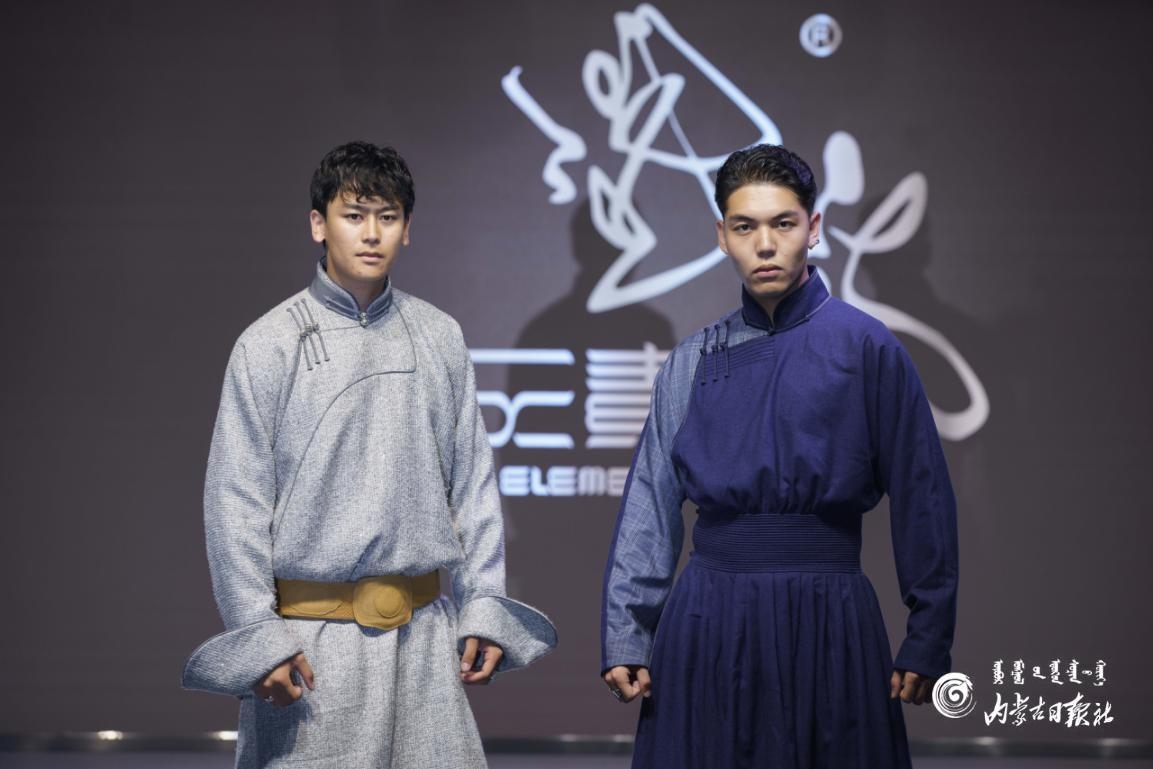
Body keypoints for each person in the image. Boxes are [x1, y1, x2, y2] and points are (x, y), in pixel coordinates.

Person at [182, 141, 556, 768]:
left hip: (425, 641)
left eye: (388, 216)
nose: (372, 233)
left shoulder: (439, 335)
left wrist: (483, 605)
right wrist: (259, 637)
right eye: (353, 215)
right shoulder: (268, 343)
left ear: (407, 228)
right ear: (318, 223)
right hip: (311, 647)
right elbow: (235, 501)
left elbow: (472, 485)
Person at [601, 144, 958, 768]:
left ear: (813, 228)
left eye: (783, 224)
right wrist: (627, 632)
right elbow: (650, 502)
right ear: (722, 236)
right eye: (745, 227)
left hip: (831, 616)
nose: (765, 245)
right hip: (710, 617)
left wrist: (929, 635)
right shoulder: (692, 359)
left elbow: (922, 497)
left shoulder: (867, 348)